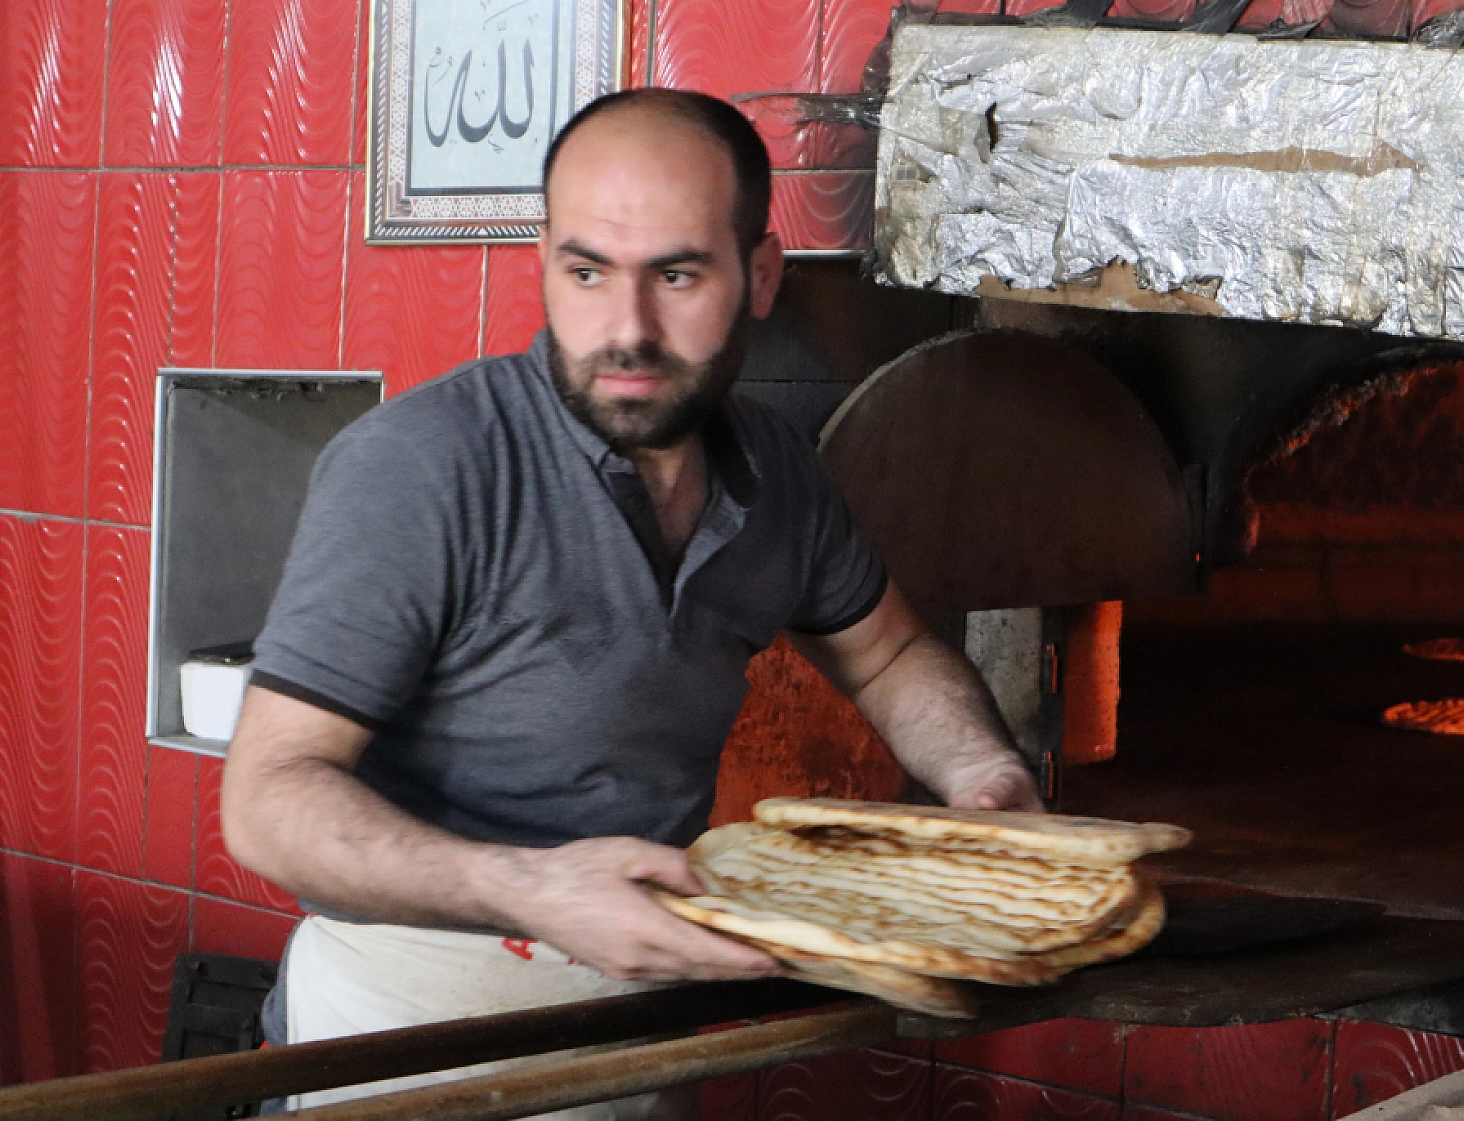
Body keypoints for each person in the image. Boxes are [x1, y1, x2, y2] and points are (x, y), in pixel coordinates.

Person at [221, 88, 1038, 1117]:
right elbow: (268, 799)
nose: (627, 330)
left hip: (641, 1023)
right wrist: (529, 886)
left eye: (677, 274)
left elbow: (886, 653)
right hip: (407, 1026)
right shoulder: (422, 466)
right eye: (586, 272)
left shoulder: (776, 472)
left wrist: (978, 769)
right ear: (544, 263)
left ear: (760, 275)